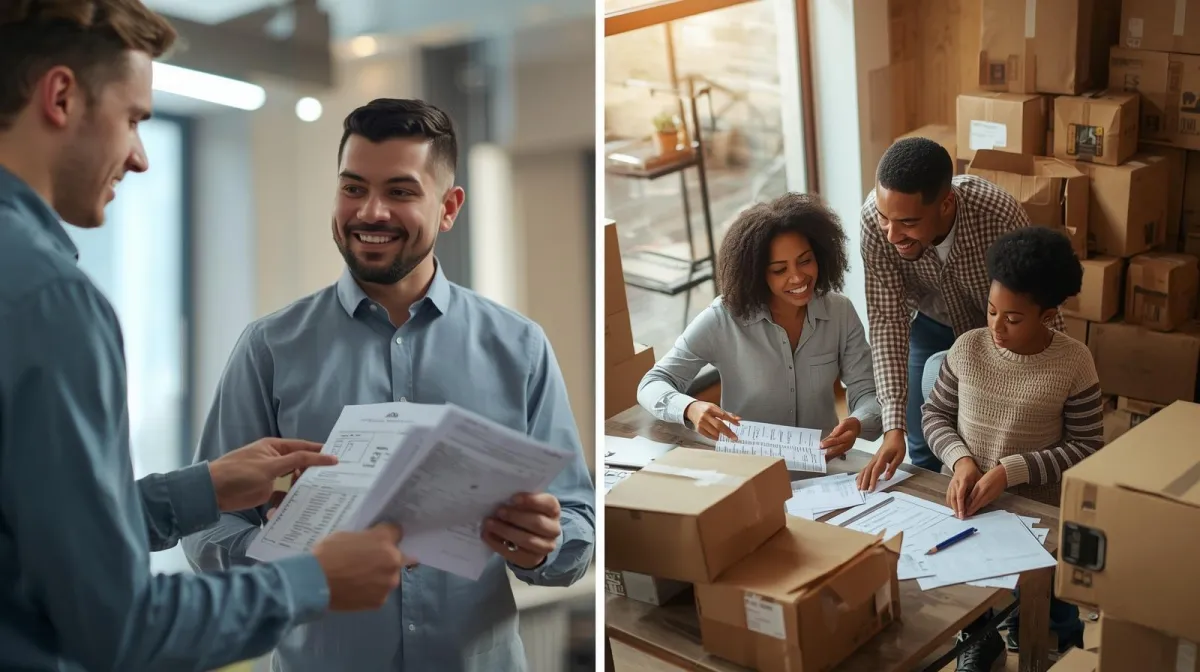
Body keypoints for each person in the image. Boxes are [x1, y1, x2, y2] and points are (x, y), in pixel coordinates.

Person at [0, 3, 414, 671]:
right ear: (60, 95)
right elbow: (119, 626)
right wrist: (313, 580)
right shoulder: (51, 300)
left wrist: (199, 489)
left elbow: (26, 542)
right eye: (134, 118)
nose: (138, 158)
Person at [183, 98, 595, 671]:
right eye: (353, 188)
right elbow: (209, 521)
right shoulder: (269, 347)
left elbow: (577, 518)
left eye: (400, 192)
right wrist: (283, 562)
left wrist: (546, 542)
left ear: (449, 208)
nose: (370, 212)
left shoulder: (519, 346)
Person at [921, 227, 1100, 670]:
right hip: (966, 504)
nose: (996, 327)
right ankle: (983, 638)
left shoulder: (1074, 362)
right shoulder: (967, 347)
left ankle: (1056, 638)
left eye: (1014, 318)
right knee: (970, 593)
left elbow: (1087, 445)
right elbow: (934, 416)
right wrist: (960, 461)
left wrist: (1010, 471)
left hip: (1036, 512)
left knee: (1050, 613)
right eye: (991, 310)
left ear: (1049, 314)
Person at [855, 137, 1064, 491]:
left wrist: (1057, 378)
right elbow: (887, 321)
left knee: (990, 439)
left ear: (946, 204)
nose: (891, 234)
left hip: (998, 332)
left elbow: (1036, 304)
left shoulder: (998, 215)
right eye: (883, 216)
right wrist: (892, 428)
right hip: (929, 320)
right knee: (920, 439)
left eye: (907, 222)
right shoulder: (876, 225)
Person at [637, 193, 882, 453]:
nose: (798, 277)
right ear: (755, 273)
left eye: (805, 261)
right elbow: (652, 383)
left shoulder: (839, 311)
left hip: (824, 466)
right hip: (749, 469)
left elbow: (869, 392)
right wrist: (690, 408)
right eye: (779, 270)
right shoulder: (723, 317)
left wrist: (858, 422)